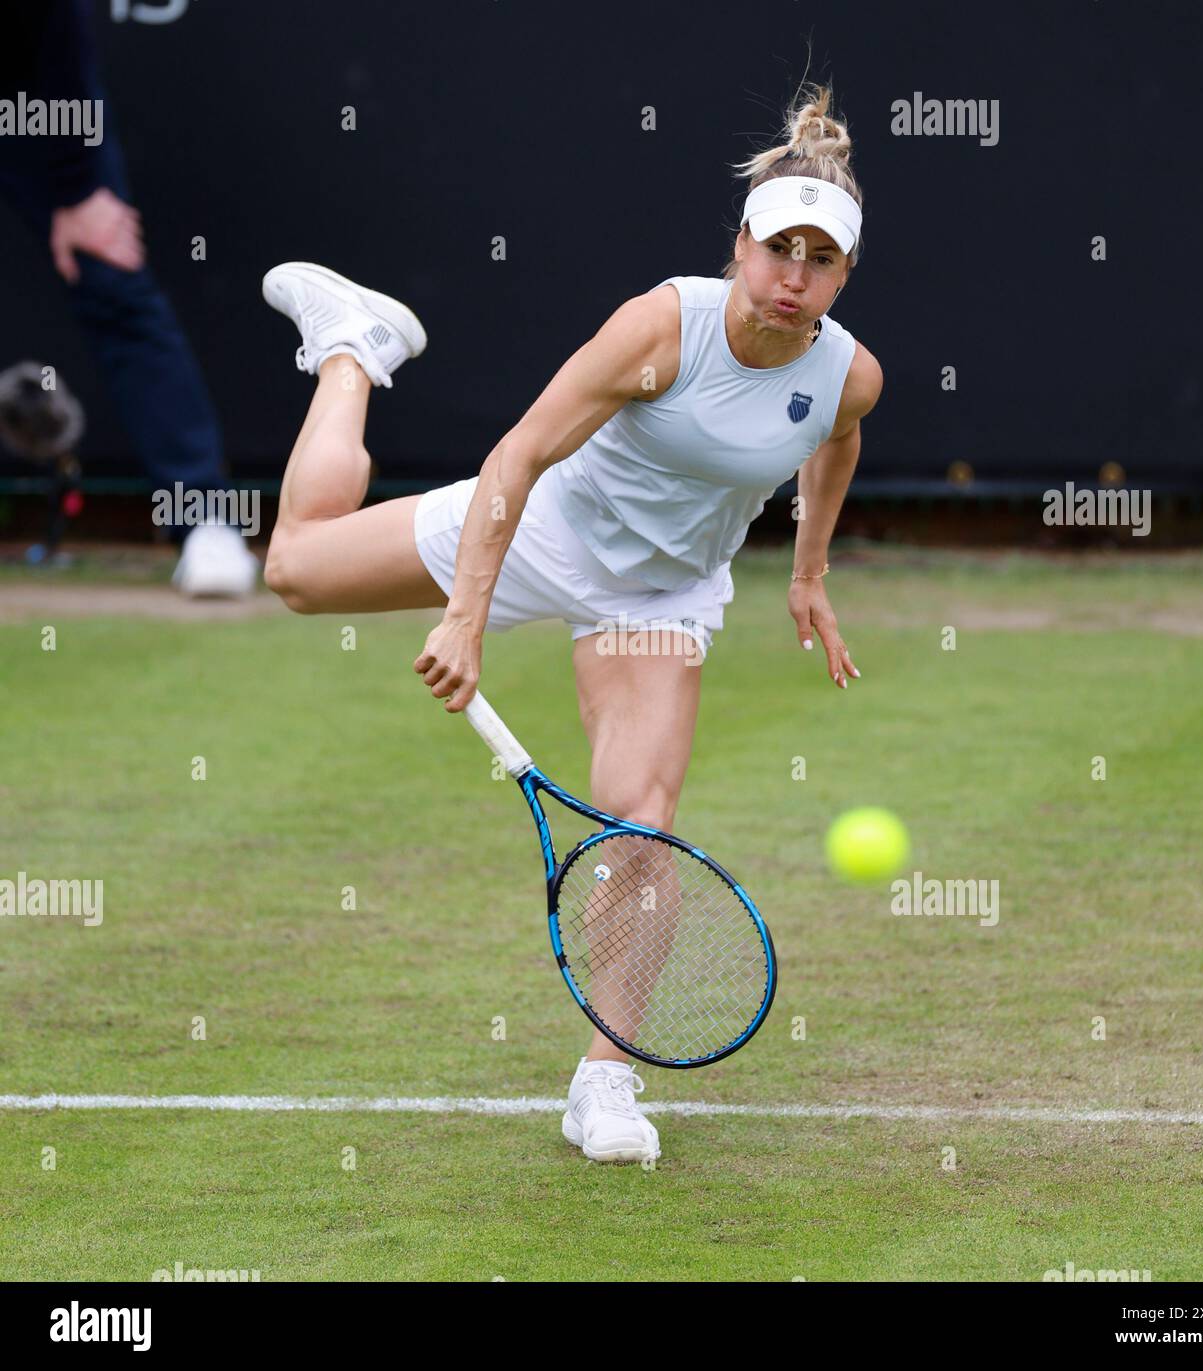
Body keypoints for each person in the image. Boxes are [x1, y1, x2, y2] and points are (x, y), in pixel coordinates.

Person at [260, 83, 883, 1163]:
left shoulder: (845, 376)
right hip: (542, 525)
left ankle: (607, 1081)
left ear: (842, 275)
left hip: (659, 597)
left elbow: (833, 445)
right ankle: (353, 348)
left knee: (639, 828)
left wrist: (808, 572)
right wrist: (466, 617)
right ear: (738, 245)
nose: (793, 277)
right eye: (777, 249)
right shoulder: (661, 329)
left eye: (818, 261)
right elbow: (518, 455)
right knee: (297, 570)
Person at [0, 0, 257, 595]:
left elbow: (54, 23)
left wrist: (79, 183)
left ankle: (204, 519)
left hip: (32, 99)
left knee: (110, 276)